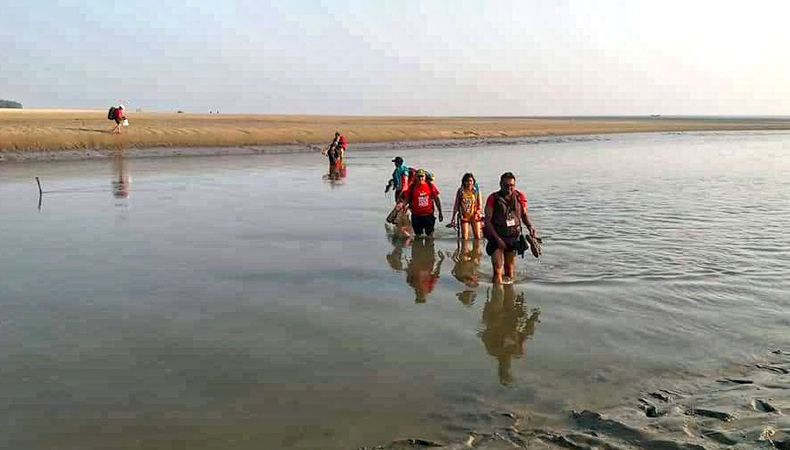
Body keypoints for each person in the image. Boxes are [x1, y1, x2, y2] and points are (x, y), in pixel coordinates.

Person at [479, 284, 540, 384]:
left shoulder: (495, 350)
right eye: (507, 367)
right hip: (506, 315)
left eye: (505, 367)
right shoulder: (513, 350)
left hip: (500, 315)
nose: (507, 364)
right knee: (506, 287)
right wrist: (533, 318)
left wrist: (533, 318)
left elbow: (484, 333)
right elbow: (526, 333)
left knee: (503, 288)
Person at [483, 172, 537, 284]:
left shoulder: (520, 197)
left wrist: (530, 227)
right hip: (496, 236)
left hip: (513, 237)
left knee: (509, 269)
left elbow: (524, 215)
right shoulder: (493, 198)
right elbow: (487, 221)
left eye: (512, 185)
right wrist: (498, 240)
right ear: (500, 184)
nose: (509, 188)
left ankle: (509, 297)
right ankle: (497, 295)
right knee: (497, 269)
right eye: (506, 185)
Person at [400, 169, 443, 237]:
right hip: (416, 216)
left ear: (425, 177)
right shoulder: (412, 187)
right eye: (419, 176)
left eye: (422, 176)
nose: (420, 178)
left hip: (428, 216)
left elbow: (436, 199)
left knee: (430, 236)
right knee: (418, 236)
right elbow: (406, 200)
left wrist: (440, 212)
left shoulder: (430, 186)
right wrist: (401, 207)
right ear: (416, 177)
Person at [405, 238, 445, 303]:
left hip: (418, 260)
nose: (421, 294)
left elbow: (408, 271)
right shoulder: (429, 288)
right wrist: (441, 260)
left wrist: (441, 261)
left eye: (419, 296)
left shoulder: (412, 284)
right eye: (422, 296)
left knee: (422, 239)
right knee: (428, 241)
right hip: (427, 261)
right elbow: (436, 274)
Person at [449, 172, 484, 240]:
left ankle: (476, 250)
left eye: (471, 181)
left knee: (478, 237)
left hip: (475, 216)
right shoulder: (460, 191)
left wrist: (477, 213)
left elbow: (480, 205)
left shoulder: (476, 191)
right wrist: (453, 217)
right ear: (464, 182)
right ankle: (464, 250)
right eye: (467, 181)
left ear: (473, 181)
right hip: (465, 216)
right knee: (465, 238)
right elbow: (456, 204)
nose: (469, 183)